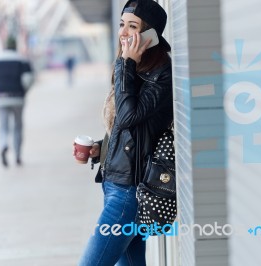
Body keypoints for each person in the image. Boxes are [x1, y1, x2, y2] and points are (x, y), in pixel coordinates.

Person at [77, 0, 173, 265]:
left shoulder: (160, 74)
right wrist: (101, 148)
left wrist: (125, 65)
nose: (123, 32)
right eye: (122, 24)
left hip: (129, 192)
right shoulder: (136, 68)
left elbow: (130, 115)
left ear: (150, 35)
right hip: (114, 185)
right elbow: (127, 126)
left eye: (133, 26)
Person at [0, 36, 34, 167]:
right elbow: (28, 79)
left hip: (0, 98)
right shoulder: (22, 60)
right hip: (18, 97)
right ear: (15, 46)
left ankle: (3, 144)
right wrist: (23, 91)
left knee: (3, 126)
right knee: (18, 126)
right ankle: (17, 155)